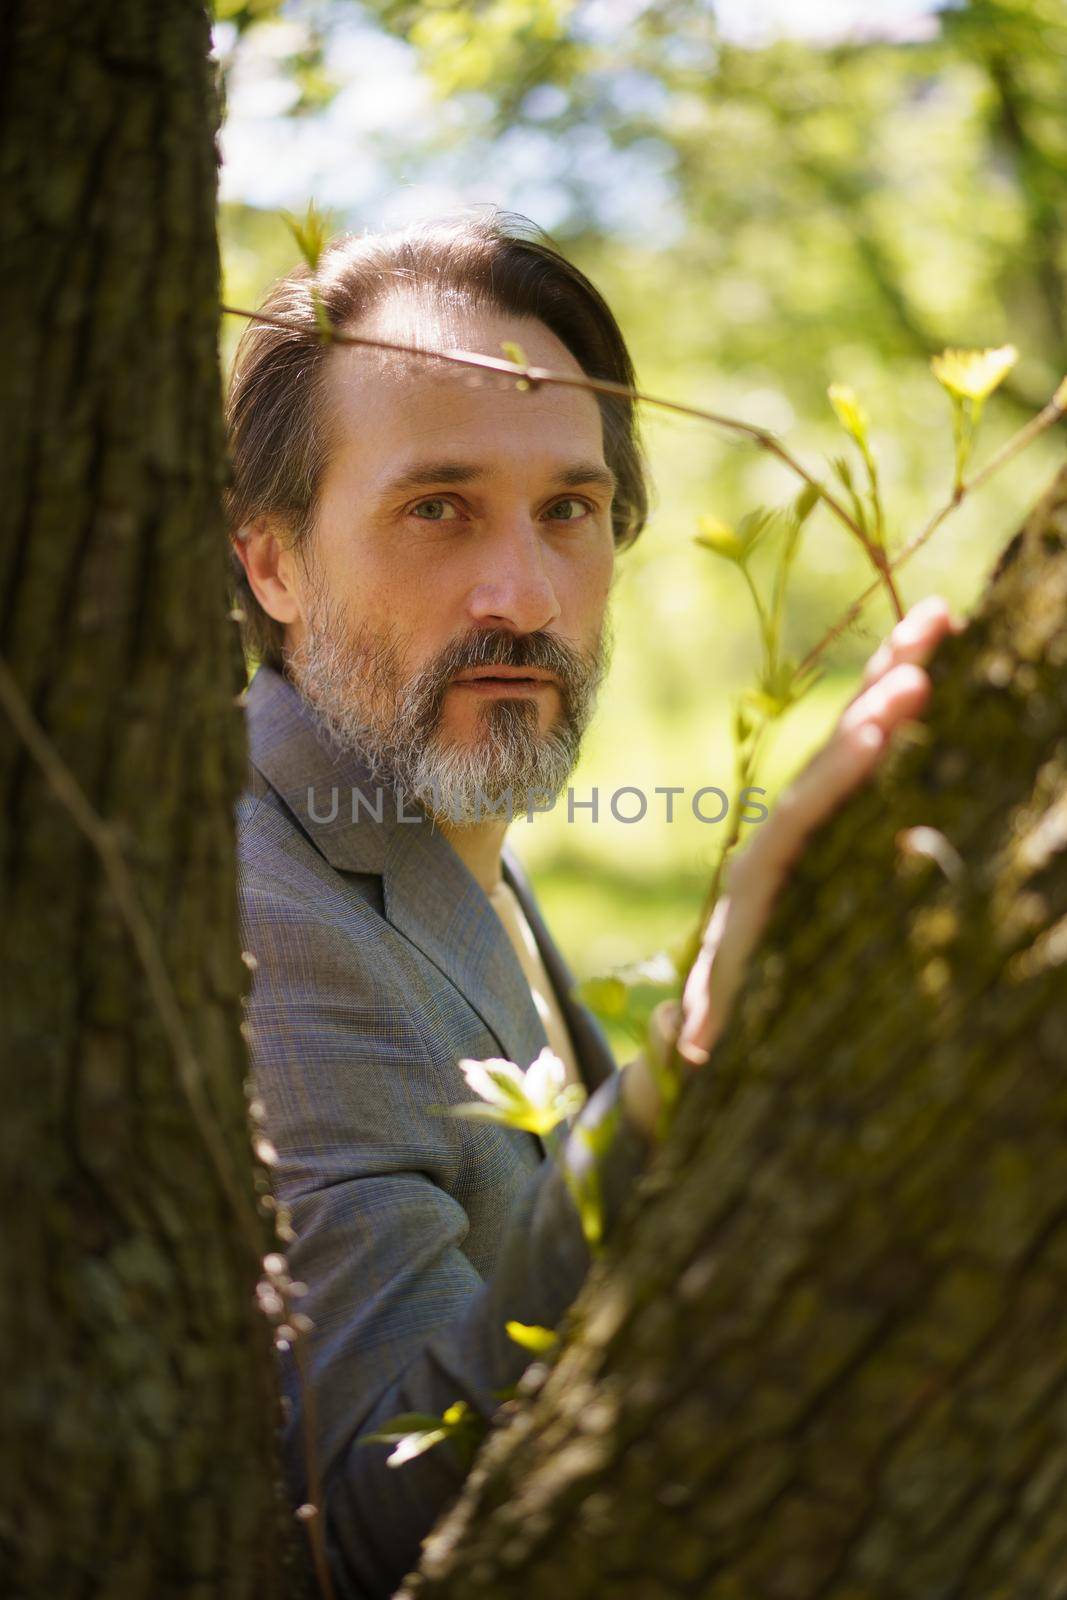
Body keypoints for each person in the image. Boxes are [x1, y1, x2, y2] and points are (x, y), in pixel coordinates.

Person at [227, 210, 957, 1598]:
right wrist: (694, 1061)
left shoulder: (432, 853)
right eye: (435, 508)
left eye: (568, 509)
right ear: (269, 560)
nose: (523, 593)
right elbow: (372, 1536)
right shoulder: (267, 920)